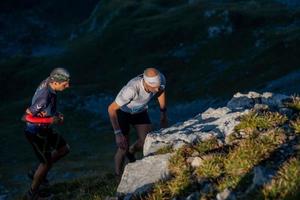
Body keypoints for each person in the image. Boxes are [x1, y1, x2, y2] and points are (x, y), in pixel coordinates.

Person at [108, 67, 168, 178]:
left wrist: (163, 114)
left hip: (140, 111)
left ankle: (132, 150)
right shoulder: (131, 89)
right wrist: (117, 134)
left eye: (158, 86)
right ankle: (117, 176)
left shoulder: (161, 80)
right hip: (123, 113)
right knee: (122, 147)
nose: (156, 90)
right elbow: (111, 109)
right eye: (154, 88)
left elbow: (161, 91)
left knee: (146, 141)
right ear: (146, 82)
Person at [22, 68, 71, 200]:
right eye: (65, 83)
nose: (68, 86)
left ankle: (36, 172)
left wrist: (55, 114)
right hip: (35, 132)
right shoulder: (44, 97)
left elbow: (47, 107)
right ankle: (32, 194)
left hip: (45, 129)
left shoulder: (49, 81)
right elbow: (25, 117)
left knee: (64, 149)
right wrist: (50, 119)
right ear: (55, 82)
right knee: (46, 164)